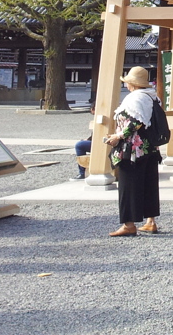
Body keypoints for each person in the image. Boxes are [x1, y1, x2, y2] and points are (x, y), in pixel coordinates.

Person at [104, 66, 161, 236]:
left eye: (128, 82)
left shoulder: (135, 99)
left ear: (133, 84)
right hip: (150, 147)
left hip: (133, 149)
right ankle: (151, 221)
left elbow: (135, 123)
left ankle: (129, 224)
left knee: (128, 186)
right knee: (149, 184)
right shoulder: (152, 97)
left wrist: (118, 136)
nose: (127, 86)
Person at [70, 106, 95, 180]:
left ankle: (82, 172)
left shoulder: (100, 118)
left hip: (99, 144)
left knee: (79, 145)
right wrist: (88, 139)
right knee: (82, 143)